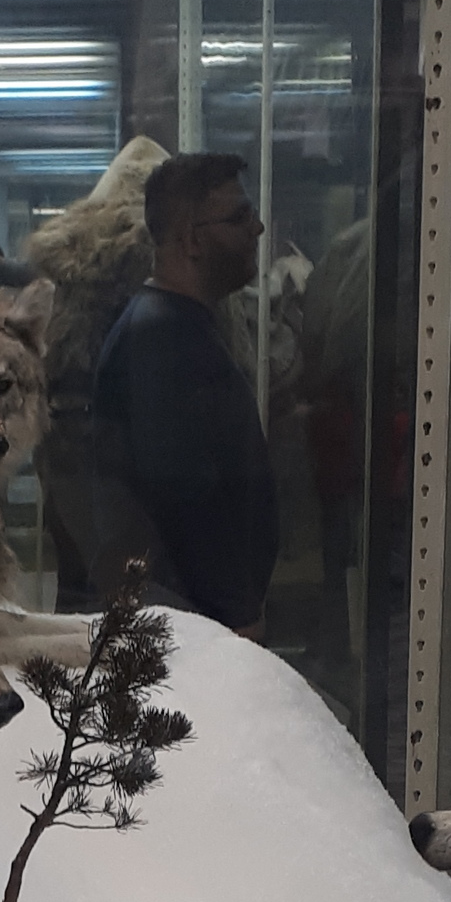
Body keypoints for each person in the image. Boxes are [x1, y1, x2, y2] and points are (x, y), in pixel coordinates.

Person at [88, 151, 279, 637]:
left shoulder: (172, 326)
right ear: (192, 239)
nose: (256, 229)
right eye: (240, 216)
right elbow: (187, 498)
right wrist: (239, 615)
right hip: (195, 630)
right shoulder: (163, 339)